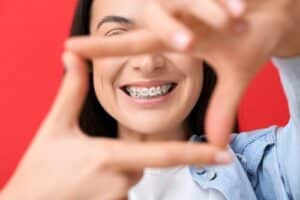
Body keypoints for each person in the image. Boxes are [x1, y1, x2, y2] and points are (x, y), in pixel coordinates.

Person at [1, 0, 299, 199]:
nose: (147, 62)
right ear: (90, 60)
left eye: (172, 37)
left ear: (202, 56)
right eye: (117, 34)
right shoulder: (56, 189)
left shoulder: (266, 168)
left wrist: (293, 44)